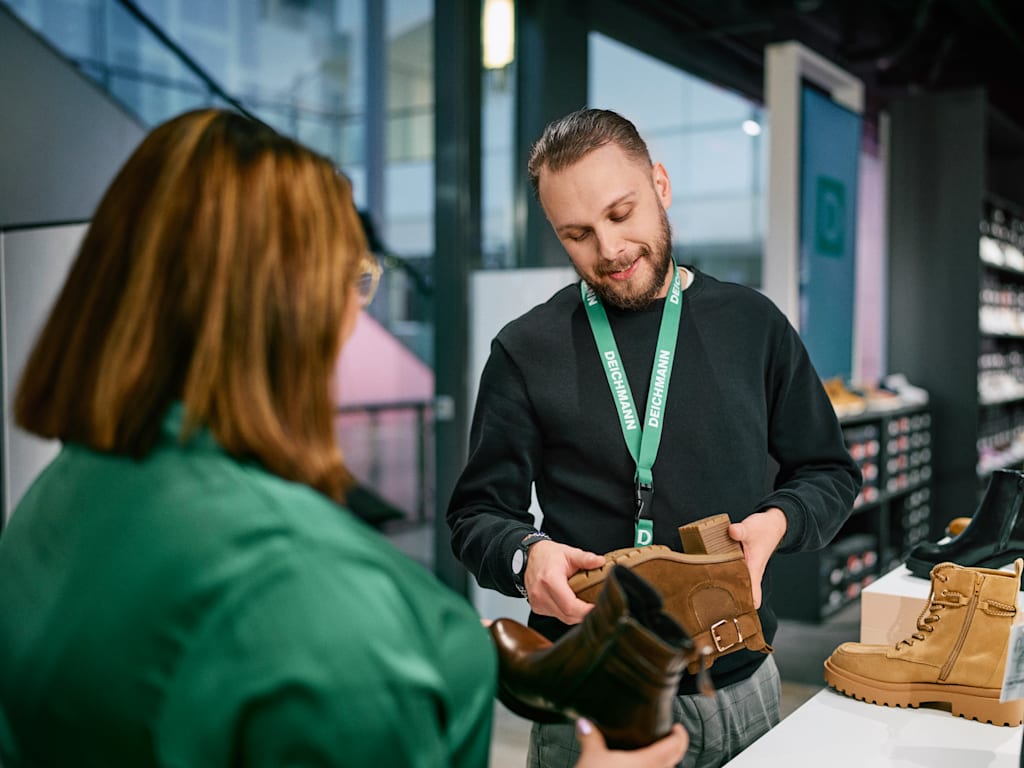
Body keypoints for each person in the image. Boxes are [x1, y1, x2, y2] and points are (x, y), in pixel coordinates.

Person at [0, 109, 687, 768]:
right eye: (353, 284)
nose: (354, 323)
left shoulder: (53, 504)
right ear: (285, 307)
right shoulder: (307, 591)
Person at [447, 108, 862, 768]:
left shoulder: (753, 325)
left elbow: (830, 472)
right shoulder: (526, 350)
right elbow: (476, 515)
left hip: (743, 681)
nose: (608, 249)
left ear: (661, 184)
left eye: (622, 213)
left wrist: (777, 523)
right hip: (593, 700)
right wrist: (528, 558)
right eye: (577, 233)